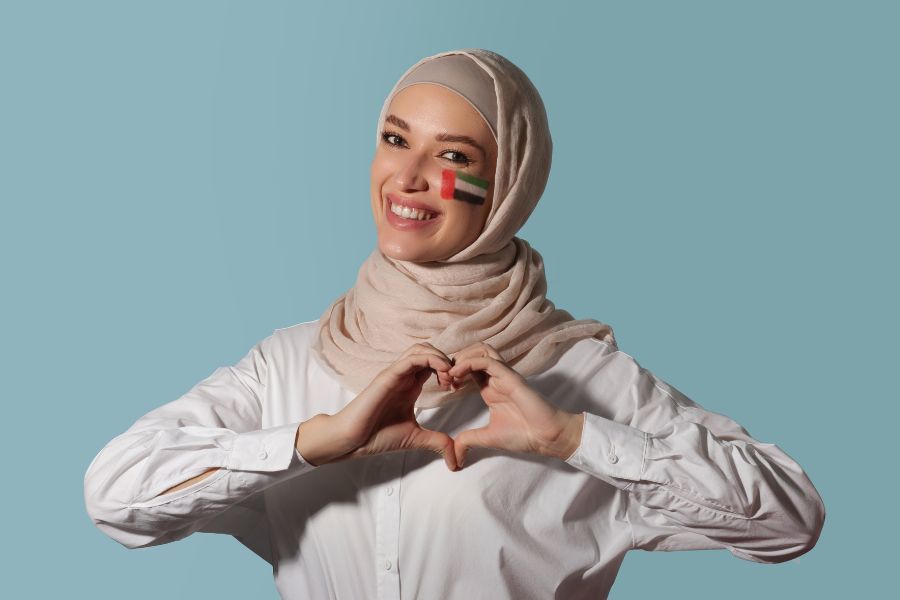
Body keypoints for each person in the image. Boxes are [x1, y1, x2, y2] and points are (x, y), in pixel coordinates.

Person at [83, 49, 825, 599]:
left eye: (454, 157)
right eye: (396, 139)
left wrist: (575, 439)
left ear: (506, 187)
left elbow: (790, 522)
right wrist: (318, 442)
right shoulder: (291, 366)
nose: (406, 179)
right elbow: (115, 498)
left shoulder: (583, 380)